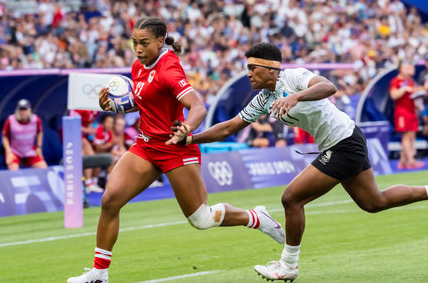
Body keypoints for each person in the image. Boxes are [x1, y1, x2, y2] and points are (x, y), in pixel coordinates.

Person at [168, 43, 428, 282]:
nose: (248, 74)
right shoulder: (263, 99)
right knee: (374, 202)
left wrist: (296, 97)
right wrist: (190, 139)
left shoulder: (294, 77)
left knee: (291, 198)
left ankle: (288, 265)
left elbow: (328, 86)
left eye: (252, 68)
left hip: (344, 143)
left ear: (271, 69)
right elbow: (229, 127)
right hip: (343, 142)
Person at [67, 18, 285, 283]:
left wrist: (187, 130)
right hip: (146, 146)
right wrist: (114, 107)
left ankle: (255, 217)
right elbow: (145, 100)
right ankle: (99, 274)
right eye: (134, 42)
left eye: (144, 43)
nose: (137, 48)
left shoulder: (169, 70)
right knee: (110, 200)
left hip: (176, 149)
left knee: (201, 219)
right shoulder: (138, 66)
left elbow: (198, 107)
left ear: (160, 41)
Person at [389, 62, 425, 169]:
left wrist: (418, 105)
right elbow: (393, 95)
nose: (408, 70)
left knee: (412, 135)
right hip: (402, 112)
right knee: (407, 135)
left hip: (412, 111)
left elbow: (414, 95)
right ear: (400, 69)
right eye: (406, 68)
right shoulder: (396, 81)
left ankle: (402, 162)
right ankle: (411, 160)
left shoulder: (410, 81)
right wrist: (404, 89)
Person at [2, 99, 48, 170]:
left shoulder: (36, 120)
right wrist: (8, 152)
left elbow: (40, 132)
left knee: (43, 168)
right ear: (17, 111)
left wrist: (39, 147)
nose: (23, 112)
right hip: (14, 151)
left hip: (29, 150)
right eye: (21, 110)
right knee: (13, 170)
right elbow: (4, 136)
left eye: (25, 109)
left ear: (29, 110)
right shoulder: (10, 120)